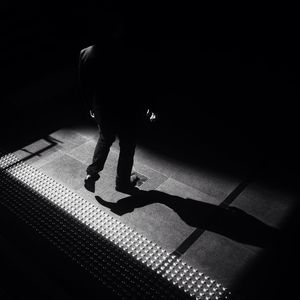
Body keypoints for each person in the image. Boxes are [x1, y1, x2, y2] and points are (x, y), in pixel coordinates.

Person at [78, 15, 158, 194]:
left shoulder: (86, 53)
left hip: (103, 108)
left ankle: (92, 174)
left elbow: (84, 86)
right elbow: (141, 83)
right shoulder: (130, 52)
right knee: (127, 145)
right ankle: (122, 182)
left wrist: (90, 107)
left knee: (105, 139)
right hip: (128, 109)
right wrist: (147, 106)